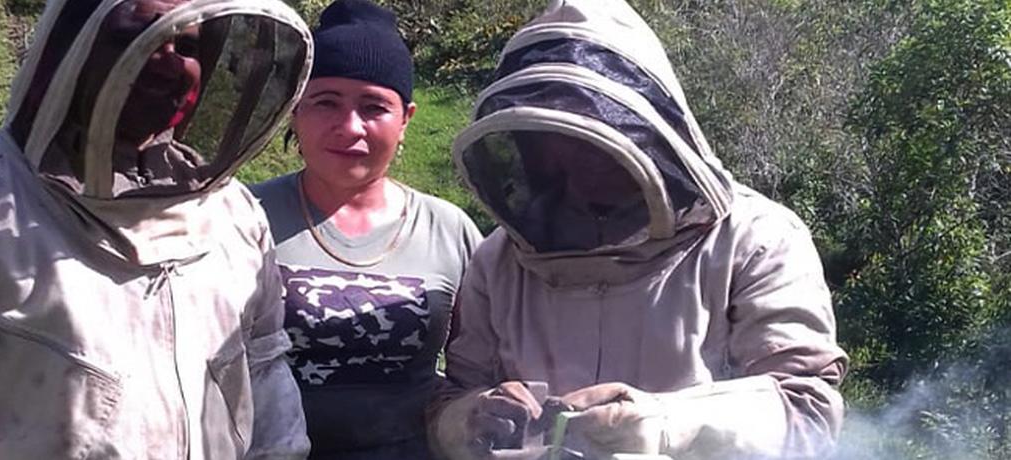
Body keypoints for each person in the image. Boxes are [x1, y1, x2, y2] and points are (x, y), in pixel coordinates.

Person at [429, 0, 848, 459]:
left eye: (600, 126)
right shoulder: (499, 259)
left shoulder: (755, 238)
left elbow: (807, 408)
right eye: (559, 130)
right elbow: (454, 396)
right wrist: (469, 419)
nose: (581, 150)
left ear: (650, 124)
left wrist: (671, 427)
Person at [0, 0, 314, 458]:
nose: (167, 63)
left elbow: (265, 375)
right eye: (135, 36)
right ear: (72, 49)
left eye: (187, 45)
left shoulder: (235, 214)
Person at [248, 0, 483, 458]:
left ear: (406, 121)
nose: (349, 127)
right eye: (325, 102)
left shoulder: (448, 228)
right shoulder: (243, 216)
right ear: (296, 110)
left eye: (374, 106)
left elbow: (474, 374)